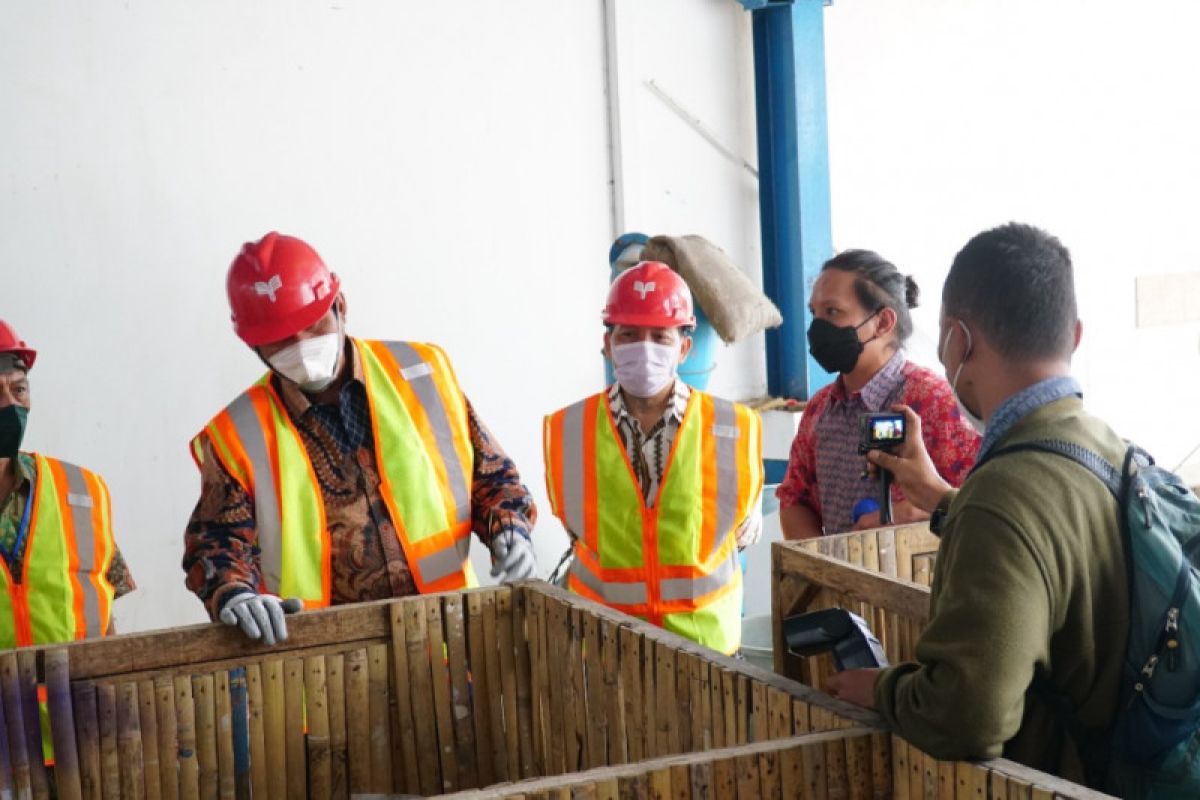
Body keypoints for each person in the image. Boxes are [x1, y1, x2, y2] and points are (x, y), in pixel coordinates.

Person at [826, 223, 1129, 786]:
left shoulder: (1003, 495)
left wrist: (885, 688)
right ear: (1076, 335)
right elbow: (1051, 551)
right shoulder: (1113, 451)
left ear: (957, 340)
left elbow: (970, 717)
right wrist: (943, 499)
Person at [183, 232, 538, 646]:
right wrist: (234, 593)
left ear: (341, 305)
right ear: (253, 345)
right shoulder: (236, 434)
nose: (301, 347)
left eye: (312, 326)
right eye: (281, 340)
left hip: (449, 638)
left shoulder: (422, 374)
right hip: (328, 663)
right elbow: (216, 544)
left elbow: (490, 478)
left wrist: (509, 530)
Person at [543, 262, 763, 654]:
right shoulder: (567, 429)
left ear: (684, 348)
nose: (644, 349)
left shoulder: (735, 426)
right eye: (629, 335)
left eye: (660, 337)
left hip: (707, 651)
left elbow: (738, 525)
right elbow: (581, 535)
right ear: (607, 344)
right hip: (606, 651)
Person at [777, 250, 981, 538]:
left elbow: (983, 508)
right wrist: (825, 569)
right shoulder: (821, 408)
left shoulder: (933, 402)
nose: (817, 327)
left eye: (833, 311)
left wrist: (913, 512)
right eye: (815, 313)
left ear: (883, 322)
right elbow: (794, 499)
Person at [0, 320, 135, 647]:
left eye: (18, 389)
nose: (10, 404)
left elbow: (103, 615)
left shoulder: (79, 491)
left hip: (78, 697)